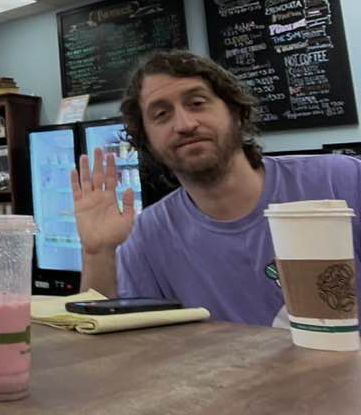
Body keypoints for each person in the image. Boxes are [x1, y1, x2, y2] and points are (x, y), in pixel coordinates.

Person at [71, 49, 361, 327]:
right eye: (161, 114)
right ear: (146, 140)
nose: (184, 124)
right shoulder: (147, 237)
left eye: (197, 103)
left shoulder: (340, 180)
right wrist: (97, 253)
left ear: (235, 111)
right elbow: (112, 343)